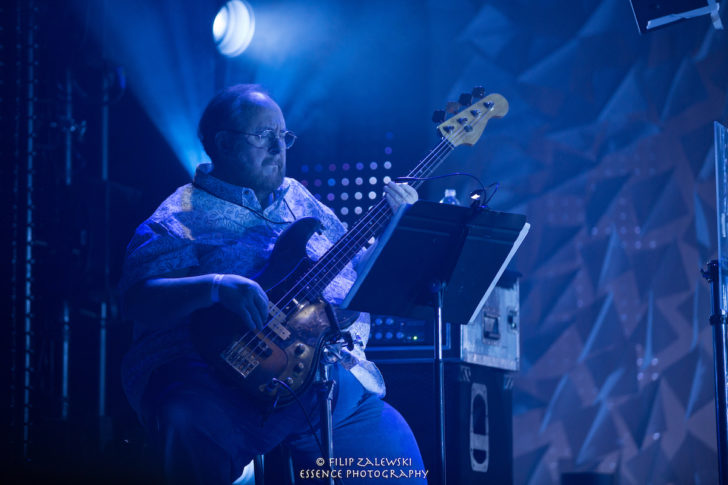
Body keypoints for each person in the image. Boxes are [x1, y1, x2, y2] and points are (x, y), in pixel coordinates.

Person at [119, 84, 426, 484]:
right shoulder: (179, 215)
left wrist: (396, 229)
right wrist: (215, 285)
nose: (278, 148)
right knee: (187, 418)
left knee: (396, 465)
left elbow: (358, 270)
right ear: (224, 143)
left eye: (284, 137)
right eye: (264, 136)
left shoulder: (302, 200)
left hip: (325, 377)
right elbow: (139, 299)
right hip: (222, 381)